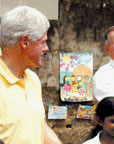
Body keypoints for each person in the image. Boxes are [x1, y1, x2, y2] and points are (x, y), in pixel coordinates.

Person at [0, 6, 62, 144]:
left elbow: (39, 126)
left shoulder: (32, 80)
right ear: (25, 42)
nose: (47, 48)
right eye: (43, 42)